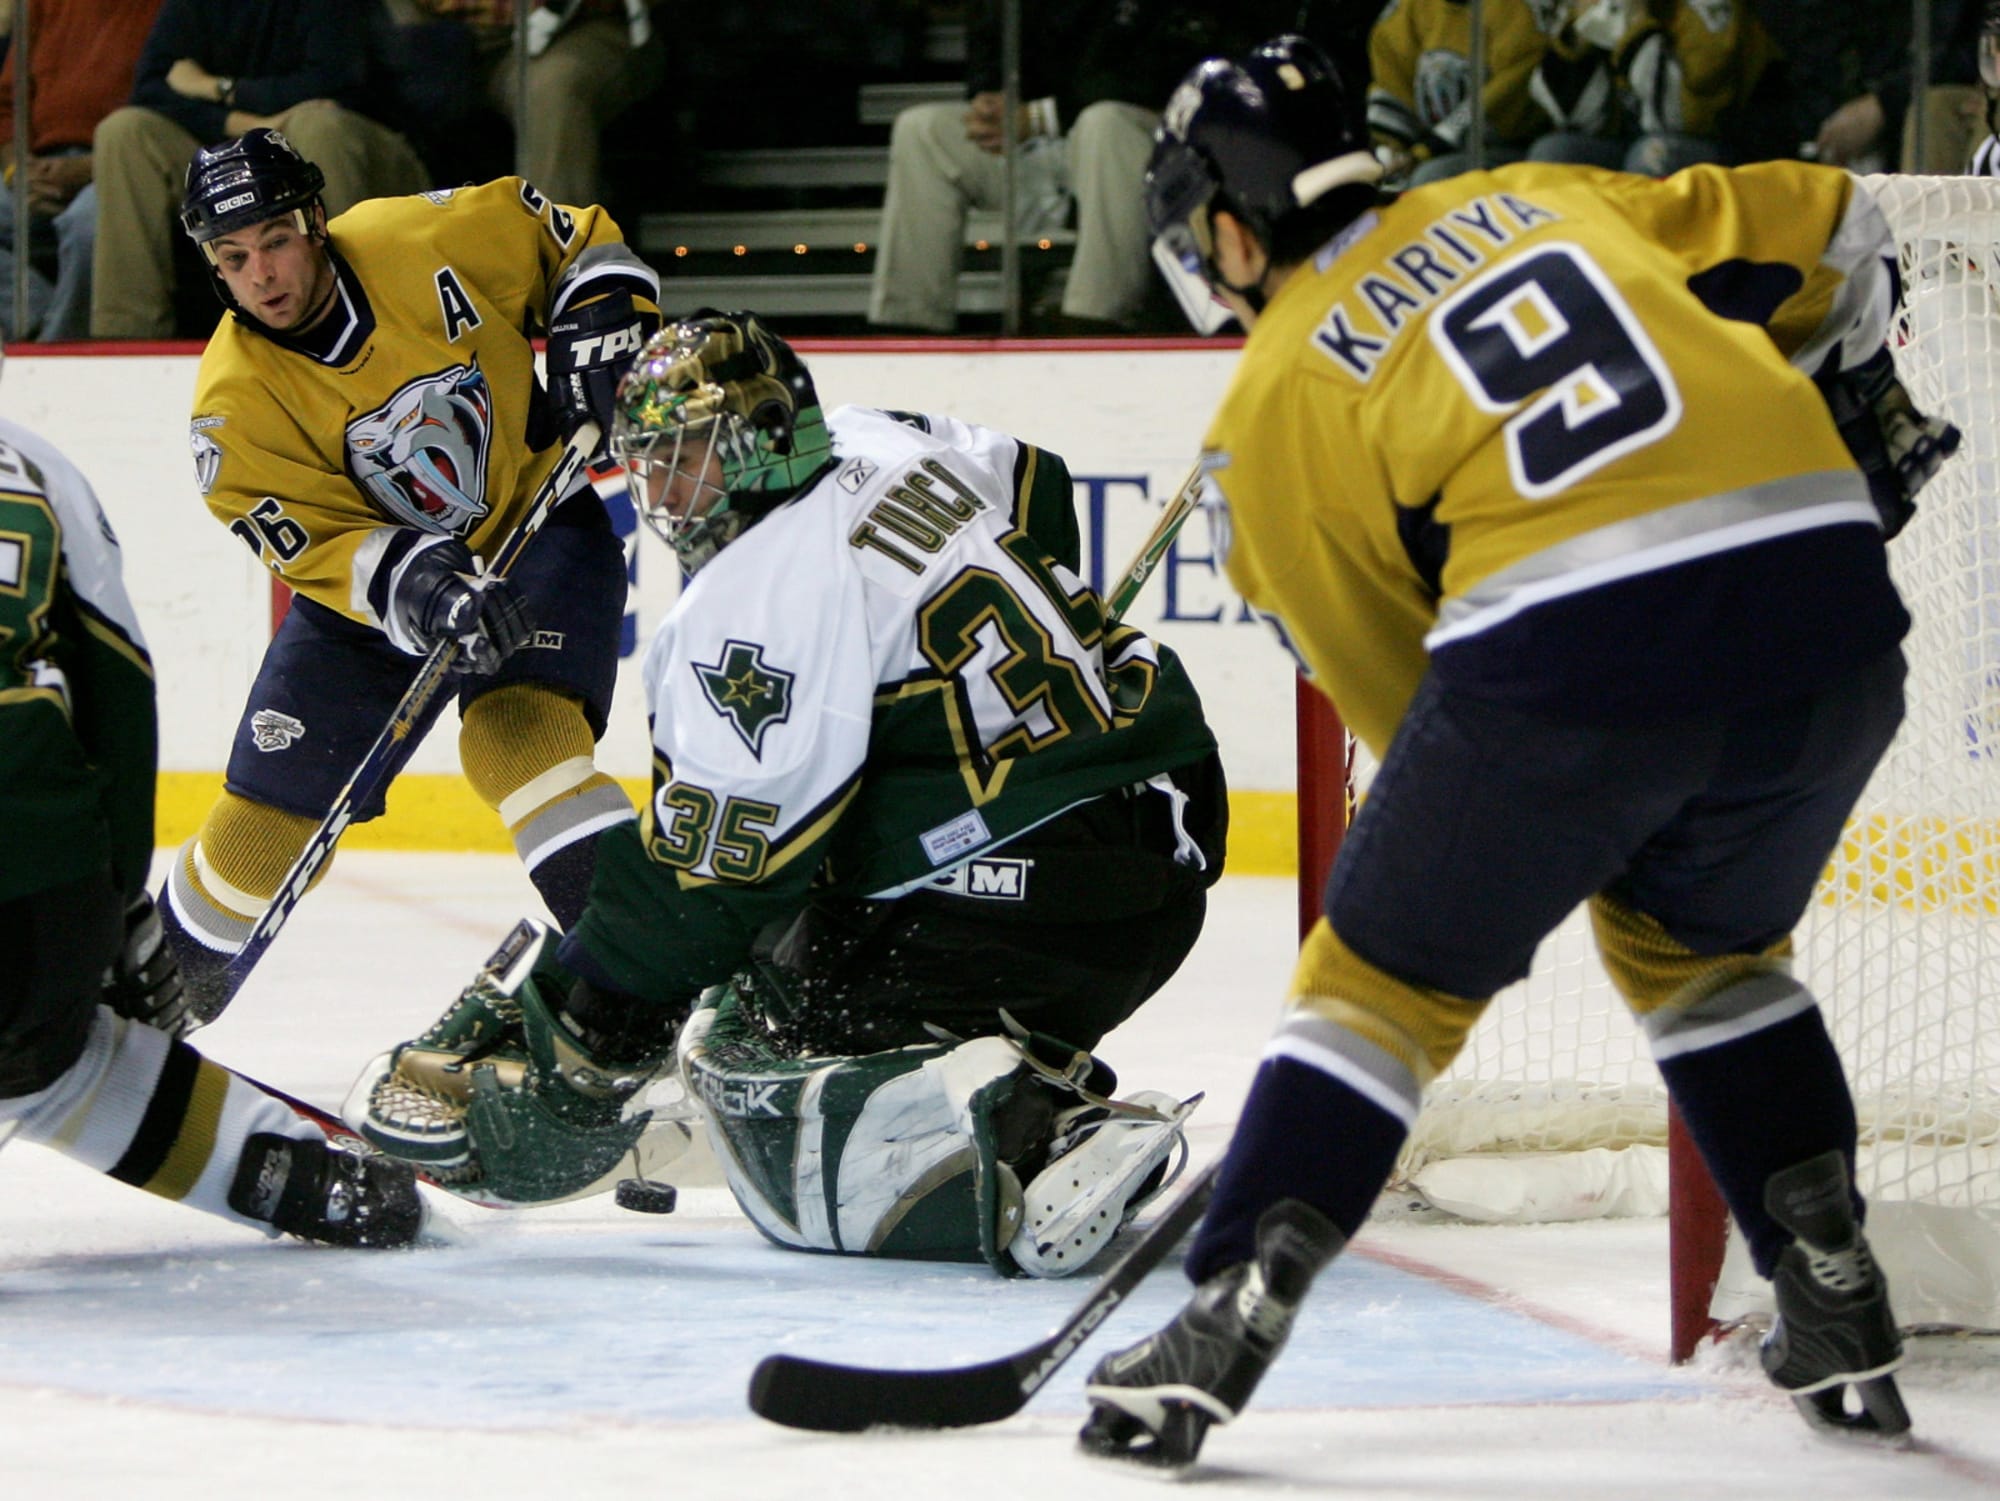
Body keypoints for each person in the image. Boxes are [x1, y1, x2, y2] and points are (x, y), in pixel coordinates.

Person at [1077, 33, 1962, 1466]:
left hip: (1583, 652)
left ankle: (1228, 1303)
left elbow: (1408, 715)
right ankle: (1832, 1286)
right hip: (1836, 623)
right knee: (1702, 950)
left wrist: (1504, 861)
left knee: (1377, 977)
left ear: (1229, 227)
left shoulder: (1274, 408)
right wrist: (1846, 373)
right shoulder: (1541, 193)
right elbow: (1838, 223)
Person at [349, 309, 1231, 1273]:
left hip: (1039, 894)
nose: (670, 496)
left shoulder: (756, 602)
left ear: (767, 443)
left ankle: (1024, 1135)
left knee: (766, 1049)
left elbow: (711, 885)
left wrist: (581, 1026)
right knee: (806, 924)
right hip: (1161, 816)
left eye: (691, 460)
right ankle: (1002, 1056)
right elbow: (1036, 481)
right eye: (655, 464)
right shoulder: (875, 433)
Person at [157, 128, 660, 1027]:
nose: (262, 273)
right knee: (254, 837)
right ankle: (134, 1021)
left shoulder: (423, 239)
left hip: (530, 522)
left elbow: (578, 242)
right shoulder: (230, 411)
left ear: (315, 221)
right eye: (233, 258)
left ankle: (668, 985)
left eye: (275, 239)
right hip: (375, 606)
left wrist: (603, 318)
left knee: (521, 741)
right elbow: (323, 548)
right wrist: (425, 589)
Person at [0, 407, 424, 1249]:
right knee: (39, 1055)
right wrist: (118, 909)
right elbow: (117, 688)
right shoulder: (36, 465)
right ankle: (293, 1169)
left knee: (41, 1067)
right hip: (44, 894)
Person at [867, 0, 1303, 334]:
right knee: (921, 130)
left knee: (1105, 124)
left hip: (1148, 150)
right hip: (1037, 147)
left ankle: (1095, 321)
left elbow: (1172, 71)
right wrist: (989, 101)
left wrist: (1043, 115)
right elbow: (995, 38)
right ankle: (907, 326)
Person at [90, 0, 432, 339]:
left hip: (363, 145)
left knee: (318, 126)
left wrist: (219, 89)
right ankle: (126, 339)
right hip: (244, 149)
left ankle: (351, 324)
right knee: (125, 131)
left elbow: (335, 84)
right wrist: (244, 121)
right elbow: (151, 90)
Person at [395, 0, 664, 212]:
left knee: (552, 88)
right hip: (428, 28)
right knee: (367, 86)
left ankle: (556, 260)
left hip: (580, 27)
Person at [0, 0, 160, 342]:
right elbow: (7, 104)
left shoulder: (169, 9)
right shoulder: (41, 4)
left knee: (91, 227)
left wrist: (84, 170)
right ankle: (38, 319)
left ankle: (59, 350)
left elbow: (169, 112)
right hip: (35, 165)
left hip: (123, 166)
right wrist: (18, 170)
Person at [1526, 0, 1780, 175]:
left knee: (1652, 154)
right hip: (1632, 142)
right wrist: (1577, 40)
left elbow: (1685, 120)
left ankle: (1638, 255)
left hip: (1732, 152)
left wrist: (1636, 26)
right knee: (1553, 153)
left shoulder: (1706, 7)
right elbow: (1582, 123)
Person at [1367, 0, 1558, 186]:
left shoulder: (1521, 9)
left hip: (1515, 149)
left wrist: (1429, 148)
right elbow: (1393, 84)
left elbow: (1504, 95)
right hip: (1434, 149)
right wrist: (1385, 148)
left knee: (1432, 178)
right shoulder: (1407, 8)